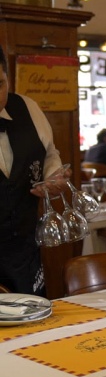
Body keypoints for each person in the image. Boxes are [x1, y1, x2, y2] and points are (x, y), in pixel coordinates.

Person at [0, 45, 69, 296]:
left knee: (34, 324)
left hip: (25, 250)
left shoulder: (28, 108)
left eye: (0, 84)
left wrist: (54, 176)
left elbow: (50, 153)